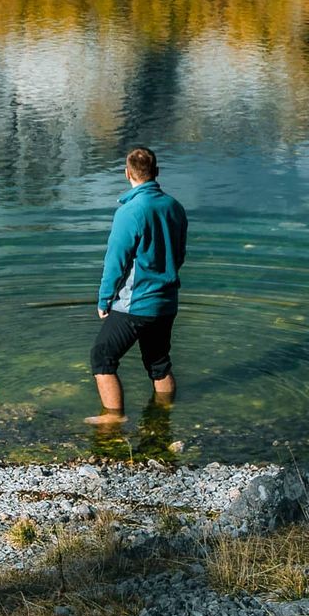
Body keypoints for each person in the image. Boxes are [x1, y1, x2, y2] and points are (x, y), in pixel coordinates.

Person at [86, 146, 188, 425]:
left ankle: (113, 419)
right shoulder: (175, 207)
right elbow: (179, 255)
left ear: (127, 173)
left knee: (102, 357)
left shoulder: (129, 212)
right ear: (157, 172)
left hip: (136, 304)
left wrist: (104, 299)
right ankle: (163, 416)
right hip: (166, 302)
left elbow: (115, 261)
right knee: (158, 363)